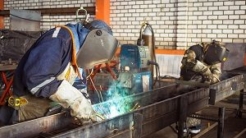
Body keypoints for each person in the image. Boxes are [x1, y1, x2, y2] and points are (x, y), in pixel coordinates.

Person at [0, 19, 118, 126]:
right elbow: (36, 78)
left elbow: (78, 81)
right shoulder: (58, 39)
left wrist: (84, 103)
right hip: (28, 114)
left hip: (49, 115)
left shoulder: (78, 51)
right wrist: (75, 100)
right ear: (93, 39)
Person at [179, 40, 229, 134]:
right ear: (210, 49)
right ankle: (182, 125)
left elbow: (216, 69)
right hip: (186, 82)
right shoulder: (194, 49)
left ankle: (194, 126)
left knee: (197, 103)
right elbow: (187, 61)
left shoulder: (214, 56)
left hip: (200, 84)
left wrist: (214, 77)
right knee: (183, 104)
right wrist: (205, 70)